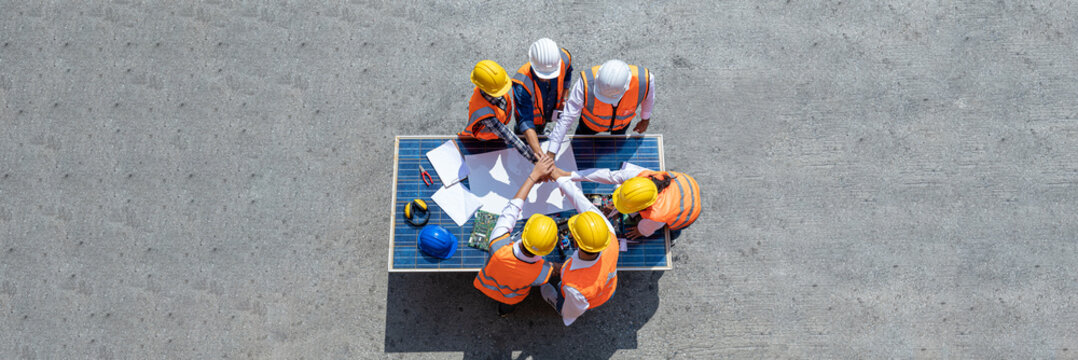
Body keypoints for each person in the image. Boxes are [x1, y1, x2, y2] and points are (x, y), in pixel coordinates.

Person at [473, 157, 559, 316]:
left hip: (486, 285)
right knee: (508, 305)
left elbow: (511, 209)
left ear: (525, 231)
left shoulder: (497, 245)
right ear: (548, 248)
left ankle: (502, 310)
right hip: (512, 297)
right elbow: (557, 270)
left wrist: (533, 176)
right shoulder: (541, 273)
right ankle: (503, 312)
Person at [540, 166, 620, 326]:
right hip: (609, 288)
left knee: (562, 304)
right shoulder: (609, 236)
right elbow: (582, 202)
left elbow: (571, 313)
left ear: (575, 242)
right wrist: (560, 178)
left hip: (590, 298)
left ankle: (554, 301)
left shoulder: (574, 288)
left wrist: (549, 286)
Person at [542, 59, 655, 158]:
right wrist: (552, 151)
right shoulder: (585, 83)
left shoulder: (645, 80)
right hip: (589, 126)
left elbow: (648, 98)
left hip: (621, 126)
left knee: (616, 153)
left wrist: (645, 118)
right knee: (579, 152)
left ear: (626, 87)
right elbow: (567, 117)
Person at [566, 163, 701, 240]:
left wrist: (640, 230)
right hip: (687, 184)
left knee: (670, 231)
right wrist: (572, 176)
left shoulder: (656, 216)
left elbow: (647, 229)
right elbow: (610, 176)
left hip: (688, 213)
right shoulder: (643, 177)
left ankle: (672, 237)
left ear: (643, 207)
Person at [460, 60, 539, 163]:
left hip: (498, 131)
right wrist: (534, 160)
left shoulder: (493, 88)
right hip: (486, 139)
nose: (503, 92)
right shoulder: (483, 113)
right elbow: (509, 136)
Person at [511, 38, 573, 160]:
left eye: (551, 75)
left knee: (541, 128)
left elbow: (568, 73)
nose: (546, 79)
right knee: (522, 141)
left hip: (547, 114)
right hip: (531, 119)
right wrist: (541, 156)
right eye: (542, 76)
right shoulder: (521, 83)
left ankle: (540, 132)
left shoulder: (563, 59)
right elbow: (525, 121)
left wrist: (564, 98)